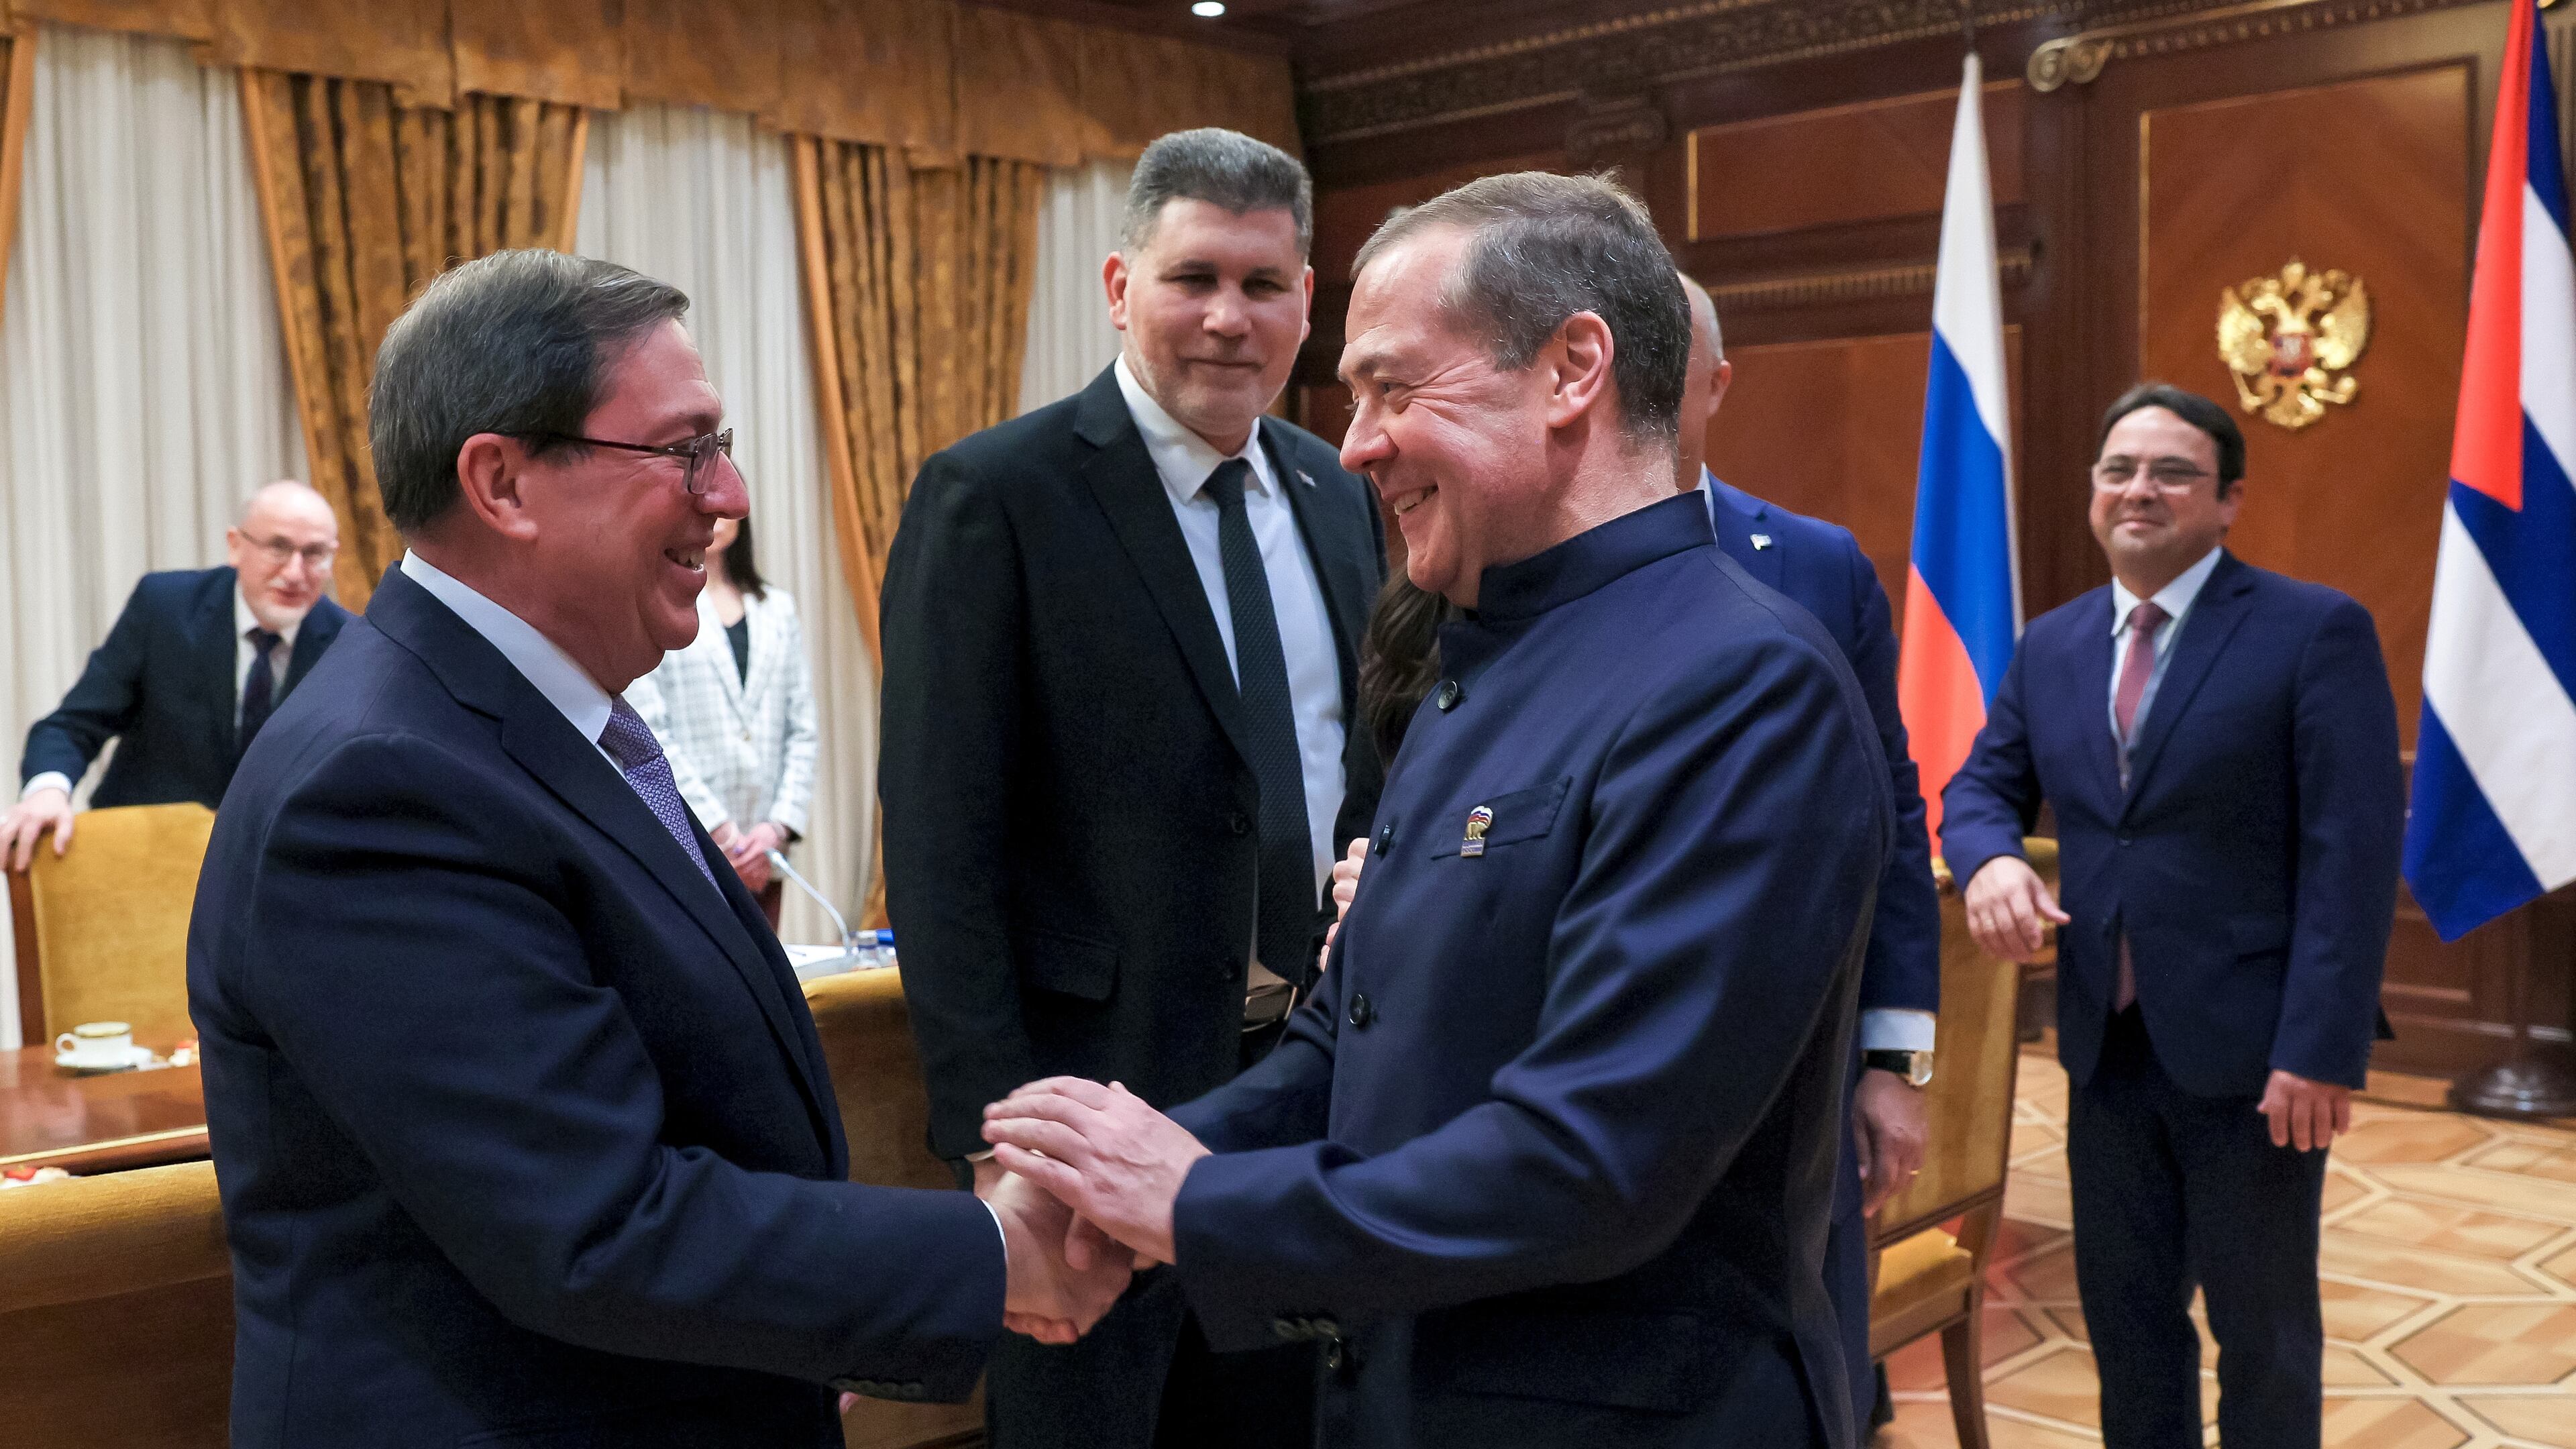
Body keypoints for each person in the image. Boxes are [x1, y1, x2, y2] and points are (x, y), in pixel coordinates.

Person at [986, 172, 1890, 1449]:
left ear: (1574, 369)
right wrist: (1119, 1180)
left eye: (1393, 388)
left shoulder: (1741, 685)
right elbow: (1346, 1045)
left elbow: (1596, 1162)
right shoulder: (1482, 657)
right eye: (1354, 398)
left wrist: (1198, 1208)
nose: (1355, 443)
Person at [186, 250, 1126, 1449]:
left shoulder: (541, 725)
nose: (728, 494)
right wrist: (992, 1253)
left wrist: (807, 1324)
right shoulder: (383, 784)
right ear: (504, 484)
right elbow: (590, 1224)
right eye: (685, 450)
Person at [878, 128, 1384, 1449]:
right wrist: (994, 1146)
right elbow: (940, 844)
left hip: (1299, 1104)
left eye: (1263, 285)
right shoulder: (996, 493)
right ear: (1119, 284)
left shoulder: (1342, 495)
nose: (1228, 317)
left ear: (1307, 302)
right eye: (1191, 277)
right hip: (1090, 1114)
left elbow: (1368, 771)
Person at [1941, 384, 2403, 1449]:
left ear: (2230, 498)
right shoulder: (2052, 643)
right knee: (2129, 1324)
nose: (2138, 490)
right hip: (2107, 1048)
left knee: (2265, 1332)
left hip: (2256, 1059)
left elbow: (2353, 853)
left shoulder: (2312, 630)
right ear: (2094, 494)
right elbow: (1978, 789)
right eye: (2119, 471)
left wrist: (2321, 1049)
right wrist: (1990, 859)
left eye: (2171, 471)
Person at [1676, 272, 1941, 1434]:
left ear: (1716, 385)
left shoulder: (1818, 565)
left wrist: (1897, 1056)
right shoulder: (1499, 546)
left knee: (1810, 1366)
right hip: (1599, 1067)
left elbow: (1886, 806)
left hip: (1804, 1066)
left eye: (1664, 362)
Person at [4, 481, 349, 870]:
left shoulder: (349, 644)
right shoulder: (165, 608)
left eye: (315, 554)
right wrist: (48, 790)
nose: (295, 572)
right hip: (142, 858)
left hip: (268, 877)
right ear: (236, 545)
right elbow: (72, 726)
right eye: (278, 548)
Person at [629, 511, 818, 928]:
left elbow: (802, 730)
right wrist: (723, 835)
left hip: (765, 853)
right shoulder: (659, 606)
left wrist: (776, 829)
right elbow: (651, 731)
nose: (715, 516)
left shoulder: (778, 609)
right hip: (692, 842)